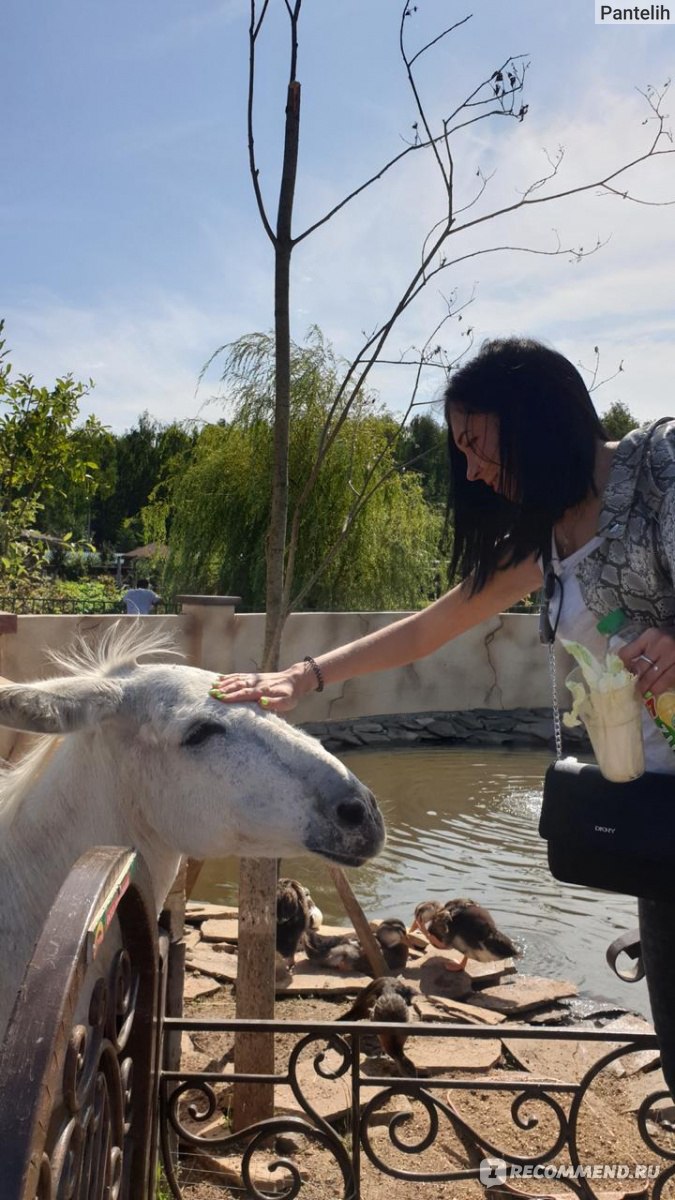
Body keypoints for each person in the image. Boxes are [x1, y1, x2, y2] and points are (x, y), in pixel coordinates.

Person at [211, 336, 675, 1094]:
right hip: (656, 819)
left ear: (533, 415)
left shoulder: (662, 470)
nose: (469, 468)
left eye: (473, 441)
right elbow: (434, 626)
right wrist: (305, 675)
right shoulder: (548, 531)